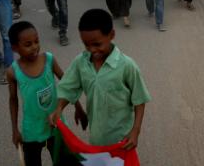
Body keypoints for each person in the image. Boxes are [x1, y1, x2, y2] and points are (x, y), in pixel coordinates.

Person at [49, 9, 151, 148]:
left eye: (97, 44)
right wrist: (59, 108)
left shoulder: (127, 66)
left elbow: (139, 100)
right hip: (96, 137)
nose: (91, 50)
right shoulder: (80, 62)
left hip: (122, 139)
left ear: (111, 35)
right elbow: (68, 88)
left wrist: (135, 131)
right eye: (86, 45)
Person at [7, 21, 87, 166]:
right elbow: (13, 100)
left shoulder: (49, 59)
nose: (34, 47)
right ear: (15, 48)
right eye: (28, 44)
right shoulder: (13, 71)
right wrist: (14, 130)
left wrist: (79, 107)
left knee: (66, 161)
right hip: (32, 129)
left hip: (56, 123)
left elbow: (66, 83)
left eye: (37, 41)